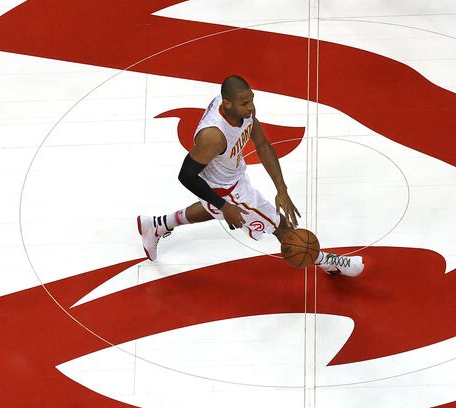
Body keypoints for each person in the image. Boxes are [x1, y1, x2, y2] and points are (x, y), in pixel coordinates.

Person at [137, 75, 364, 277]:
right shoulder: (213, 137)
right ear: (226, 104)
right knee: (282, 228)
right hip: (226, 190)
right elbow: (185, 175)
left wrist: (281, 189)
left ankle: (156, 225)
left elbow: (263, 144)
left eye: (252, 100)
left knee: (214, 210)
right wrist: (224, 205)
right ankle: (330, 262)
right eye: (245, 103)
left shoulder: (239, 110)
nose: (251, 107)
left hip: (233, 175)